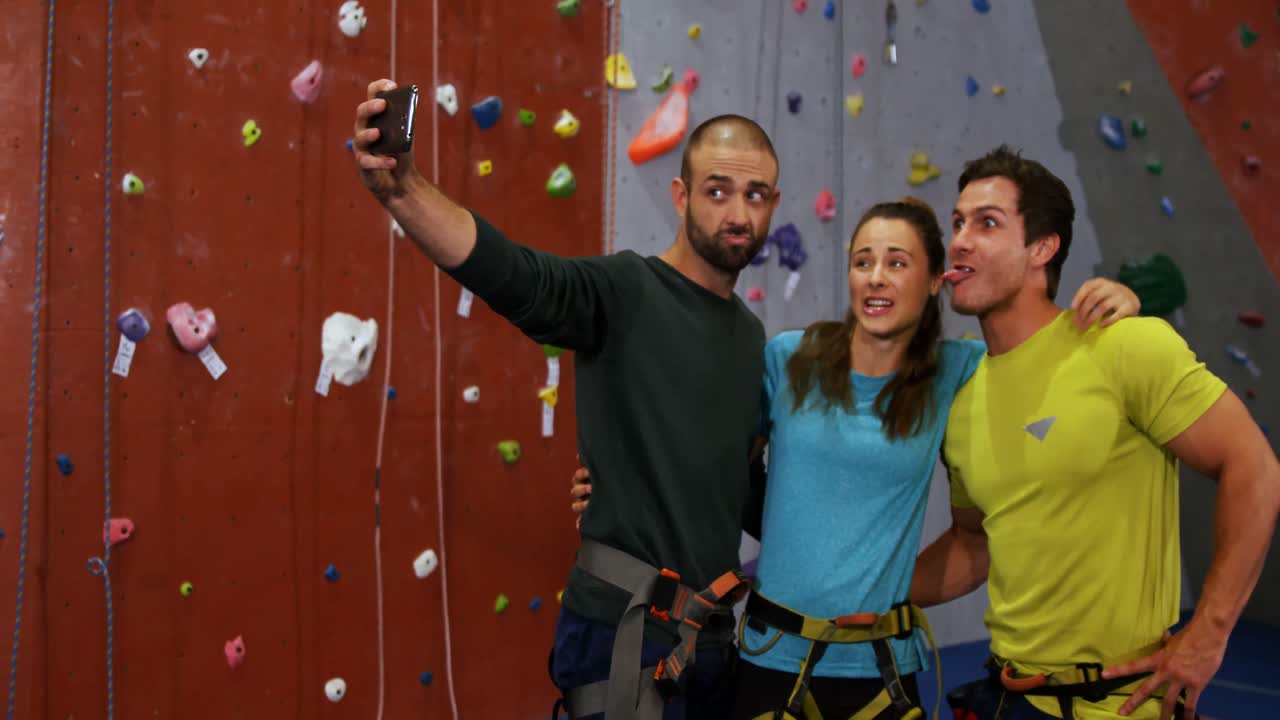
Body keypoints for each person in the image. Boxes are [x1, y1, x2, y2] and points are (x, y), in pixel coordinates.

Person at [571, 196, 1140, 719]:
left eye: (897, 262)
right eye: (862, 260)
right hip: (770, 659)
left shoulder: (959, 372)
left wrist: (1116, 308)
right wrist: (617, 485)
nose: (875, 276)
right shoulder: (789, 358)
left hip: (880, 673)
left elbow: (1036, 354)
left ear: (936, 279)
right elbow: (712, 459)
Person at [352, 79, 784, 719]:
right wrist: (404, 190)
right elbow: (513, 273)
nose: (738, 215)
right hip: (622, 636)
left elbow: (744, 496)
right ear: (681, 195)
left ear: (774, 205)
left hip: (713, 644)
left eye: (755, 196)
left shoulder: (753, 340)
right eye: (718, 191)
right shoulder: (624, 291)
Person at [911, 145, 1280, 720]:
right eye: (957, 222)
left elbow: (1254, 467)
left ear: (1043, 247)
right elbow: (974, 540)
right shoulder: (962, 394)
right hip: (1008, 697)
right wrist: (868, 588)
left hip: (1122, 706)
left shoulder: (1124, 345)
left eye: (986, 223)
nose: (959, 239)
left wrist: (1208, 632)